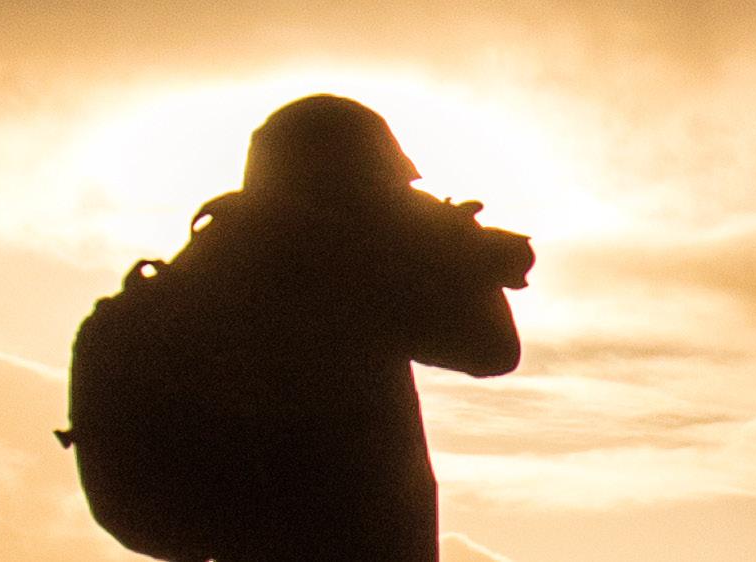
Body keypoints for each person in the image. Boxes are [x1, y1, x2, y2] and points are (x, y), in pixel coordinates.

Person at [148, 94, 530, 560]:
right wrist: (459, 244)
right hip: (357, 531)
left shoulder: (219, 250)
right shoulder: (345, 261)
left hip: (250, 536)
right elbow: (492, 351)